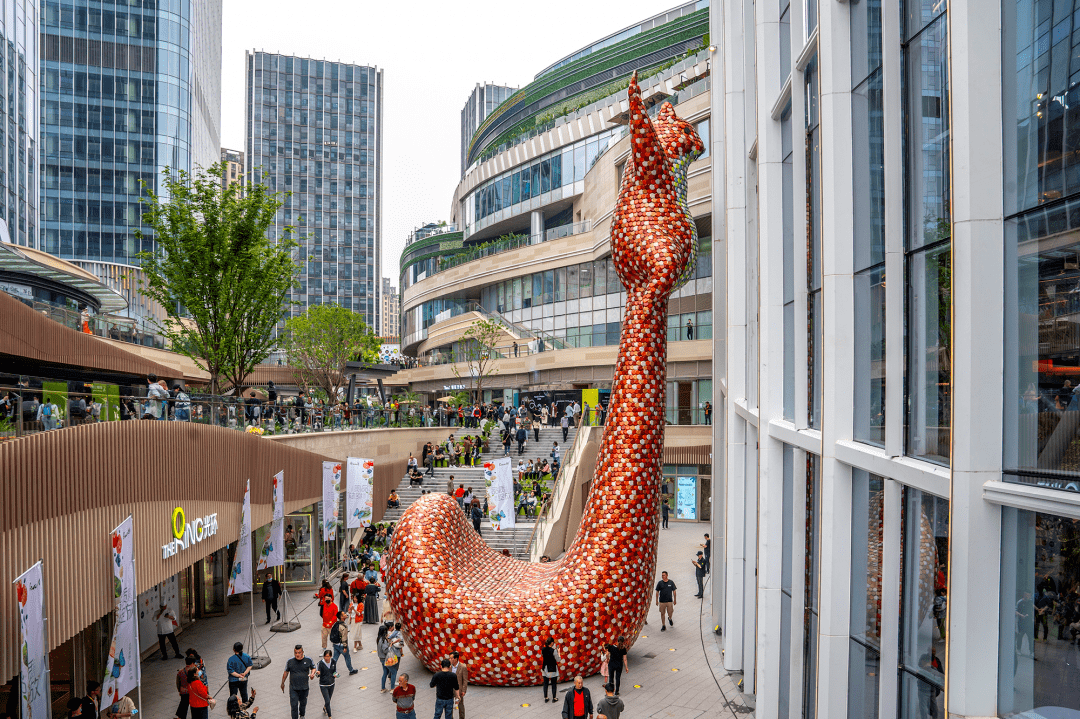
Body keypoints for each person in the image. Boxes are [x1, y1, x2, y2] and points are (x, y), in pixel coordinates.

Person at [281, 645, 316, 719]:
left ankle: (302, 715)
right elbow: (286, 672)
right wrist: (282, 682)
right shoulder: (290, 661)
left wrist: (312, 674)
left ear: (302, 652)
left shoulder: (308, 660)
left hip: (304, 687)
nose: (297, 654)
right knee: (294, 706)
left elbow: (313, 668)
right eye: (295, 653)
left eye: (299, 652)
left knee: (303, 704)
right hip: (293, 688)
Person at [329, 610, 358, 675]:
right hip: (341, 645)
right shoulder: (343, 626)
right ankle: (351, 670)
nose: (345, 614)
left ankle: (330, 670)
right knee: (347, 657)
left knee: (335, 658)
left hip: (335, 644)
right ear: (342, 617)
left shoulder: (336, 623)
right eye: (344, 614)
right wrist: (345, 647)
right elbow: (344, 638)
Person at [316, 650, 336, 719]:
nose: (326, 658)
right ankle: (330, 716)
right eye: (325, 656)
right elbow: (318, 675)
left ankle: (325, 707)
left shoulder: (333, 661)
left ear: (330, 656)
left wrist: (336, 675)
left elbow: (334, 671)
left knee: (328, 699)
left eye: (328, 656)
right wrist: (317, 673)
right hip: (323, 685)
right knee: (327, 700)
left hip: (332, 684)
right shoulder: (320, 664)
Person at [541, 638, 560, 703]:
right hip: (552, 668)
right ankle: (554, 698)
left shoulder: (543, 649)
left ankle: (546, 697)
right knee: (553, 683)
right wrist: (558, 652)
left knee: (545, 683)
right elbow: (558, 659)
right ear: (552, 643)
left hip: (545, 668)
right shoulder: (553, 650)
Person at [451, 651, 468, 719]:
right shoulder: (449, 666)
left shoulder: (463, 667)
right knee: (449, 705)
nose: (450, 659)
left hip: (459, 689)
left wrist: (464, 690)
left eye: (451, 658)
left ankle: (462, 717)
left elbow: (465, 680)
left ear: (456, 659)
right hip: (449, 689)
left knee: (460, 705)